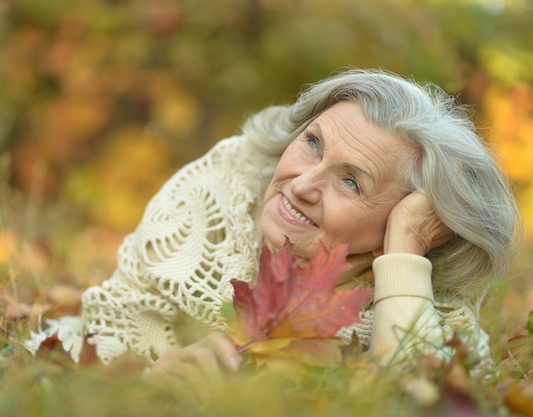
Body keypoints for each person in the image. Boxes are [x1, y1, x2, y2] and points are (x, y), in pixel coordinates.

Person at [26, 68, 520, 396]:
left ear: (399, 217)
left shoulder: (432, 306)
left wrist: (405, 250)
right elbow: (110, 328)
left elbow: (420, 399)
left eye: (351, 180)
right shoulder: (222, 192)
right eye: (312, 143)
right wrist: (152, 379)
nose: (302, 184)